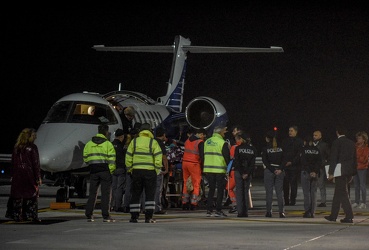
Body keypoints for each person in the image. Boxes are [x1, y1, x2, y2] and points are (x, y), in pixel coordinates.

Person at [125, 123, 163, 223]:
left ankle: (134, 217)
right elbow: (158, 156)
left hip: (136, 171)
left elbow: (128, 156)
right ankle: (148, 217)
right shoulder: (153, 142)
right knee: (150, 194)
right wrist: (156, 169)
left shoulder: (134, 142)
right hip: (150, 171)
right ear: (150, 131)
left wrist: (130, 169)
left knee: (136, 193)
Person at [6, 128, 42, 222]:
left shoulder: (17, 147)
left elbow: (13, 163)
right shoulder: (32, 147)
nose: (35, 137)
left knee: (17, 196)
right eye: (34, 135)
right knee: (31, 195)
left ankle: (16, 215)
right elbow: (35, 163)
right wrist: (38, 177)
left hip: (17, 175)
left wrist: (12, 175)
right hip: (29, 175)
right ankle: (31, 215)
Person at [324, 125, 357, 223]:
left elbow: (333, 158)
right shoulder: (351, 143)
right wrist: (353, 173)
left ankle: (349, 216)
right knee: (337, 194)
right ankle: (333, 215)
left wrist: (330, 172)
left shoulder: (336, 142)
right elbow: (354, 159)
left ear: (337, 132)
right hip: (348, 171)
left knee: (343, 193)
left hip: (340, 171)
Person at [84, 124, 116, 222]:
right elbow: (112, 160)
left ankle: (89, 215)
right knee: (105, 194)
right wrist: (111, 171)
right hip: (105, 171)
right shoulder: (108, 144)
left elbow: (85, 158)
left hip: (93, 171)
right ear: (106, 132)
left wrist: (91, 164)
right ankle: (105, 216)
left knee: (92, 193)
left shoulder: (89, 144)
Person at [203, 125, 230, 217]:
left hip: (209, 169)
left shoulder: (207, 142)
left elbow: (203, 155)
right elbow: (227, 157)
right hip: (219, 169)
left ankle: (209, 210)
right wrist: (228, 168)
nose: (225, 133)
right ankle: (218, 210)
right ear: (219, 132)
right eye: (223, 131)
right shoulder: (222, 143)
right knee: (220, 191)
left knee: (211, 190)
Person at [262, 130, 285, 218]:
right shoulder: (281, 147)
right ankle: (281, 212)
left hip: (269, 171)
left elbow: (265, 161)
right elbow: (284, 159)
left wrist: (272, 169)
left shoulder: (266, 148)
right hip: (280, 171)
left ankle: (269, 212)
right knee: (279, 192)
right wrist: (280, 169)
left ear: (268, 138)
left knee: (269, 192)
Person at [181, 128, 206, 210]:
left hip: (185, 163)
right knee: (196, 183)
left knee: (186, 182)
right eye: (203, 135)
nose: (203, 137)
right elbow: (202, 156)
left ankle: (184, 203)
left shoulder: (187, 140)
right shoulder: (200, 142)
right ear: (201, 134)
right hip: (194, 164)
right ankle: (194, 203)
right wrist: (203, 168)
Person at [233, 133, 257, 217]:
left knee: (239, 192)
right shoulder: (253, 149)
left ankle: (240, 212)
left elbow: (237, 162)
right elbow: (252, 163)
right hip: (248, 173)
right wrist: (247, 173)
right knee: (246, 192)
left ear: (242, 139)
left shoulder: (238, 148)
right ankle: (245, 212)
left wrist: (242, 172)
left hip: (239, 172)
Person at [281, 125, 304, 206]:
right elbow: (282, 153)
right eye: (289, 130)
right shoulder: (285, 141)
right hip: (286, 166)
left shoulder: (299, 141)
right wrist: (284, 163)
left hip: (295, 166)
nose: (290, 132)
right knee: (285, 184)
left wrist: (292, 162)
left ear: (296, 132)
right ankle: (286, 200)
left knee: (293, 184)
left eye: (291, 131)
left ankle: (292, 200)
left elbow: (299, 154)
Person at [300, 135, 321, 218]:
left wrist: (310, 171)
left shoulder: (304, 150)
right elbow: (319, 162)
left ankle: (307, 211)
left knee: (307, 193)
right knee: (314, 193)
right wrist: (315, 171)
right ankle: (313, 212)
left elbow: (304, 162)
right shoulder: (317, 150)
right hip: (315, 174)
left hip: (306, 173)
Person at [110, 128, 127, 212]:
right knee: (119, 188)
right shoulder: (122, 146)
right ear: (121, 136)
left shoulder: (110, 144)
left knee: (113, 187)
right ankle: (118, 205)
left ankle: (112, 205)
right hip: (120, 169)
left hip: (112, 169)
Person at [153, 127, 169, 214]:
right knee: (158, 189)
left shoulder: (152, 142)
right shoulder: (160, 144)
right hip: (158, 169)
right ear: (163, 135)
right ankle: (157, 208)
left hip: (149, 168)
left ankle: (145, 207)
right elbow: (164, 158)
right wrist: (166, 169)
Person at [226, 133, 242, 213]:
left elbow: (231, 159)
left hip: (233, 171)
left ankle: (235, 204)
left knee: (229, 188)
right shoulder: (245, 148)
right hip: (243, 171)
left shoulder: (234, 147)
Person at [313, 130, 330, 207]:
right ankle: (313, 200)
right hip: (312, 167)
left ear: (320, 136)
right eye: (314, 135)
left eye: (316, 135)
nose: (314, 136)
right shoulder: (311, 144)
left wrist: (325, 162)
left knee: (321, 184)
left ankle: (323, 201)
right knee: (313, 185)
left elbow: (328, 154)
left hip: (320, 167)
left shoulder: (324, 145)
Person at [352, 131, 369, 209]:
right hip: (355, 168)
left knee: (362, 185)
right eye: (357, 138)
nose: (358, 139)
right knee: (356, 186)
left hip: (362, 168)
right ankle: (356, 201)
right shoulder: (355, 146)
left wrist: (357, 157)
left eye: (360, 138)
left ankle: (364, 202)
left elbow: (364, 159)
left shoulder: (366, 148)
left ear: (364, 139)